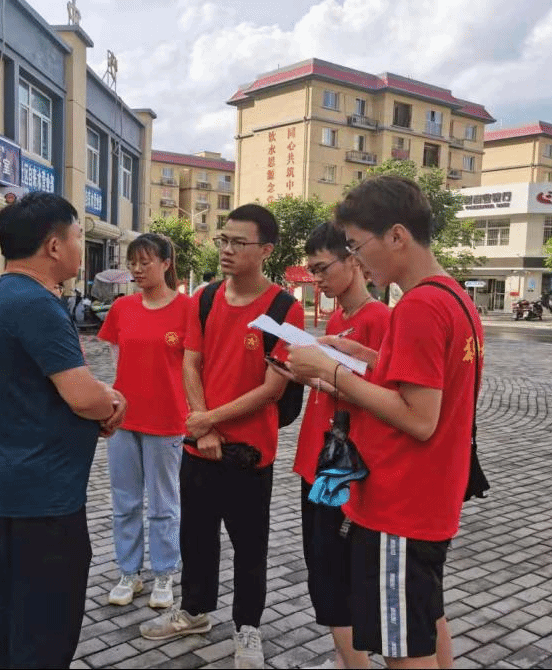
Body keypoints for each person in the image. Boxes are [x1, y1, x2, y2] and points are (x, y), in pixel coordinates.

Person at [287, 176, 483, 669]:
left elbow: (419, 418)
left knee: (404, 650)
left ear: (396, 235)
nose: (357, 258)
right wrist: (364, 357)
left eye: (357, 245)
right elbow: (428, 384)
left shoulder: (417, 305)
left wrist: (329, 370)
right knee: (424, 621)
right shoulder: (451, 296)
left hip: (400, 503)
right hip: (430, 498)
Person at [140, 204, 305, 670]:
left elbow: (274, 388)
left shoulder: (283, 308)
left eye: (239, 242)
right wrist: (202, 422)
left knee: (249, 543)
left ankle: (248, 627)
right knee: (196, 535)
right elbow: (191, 361)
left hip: (250, 452)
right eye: (224, 240)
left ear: (266, 250)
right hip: (200, 445)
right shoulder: (206, 298)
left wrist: (211, 419)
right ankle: (194, 610)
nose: (228, 250)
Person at [0, 192, 127, 668]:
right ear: (54, 246)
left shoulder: (0, 294)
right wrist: (112, 402)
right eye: (79, 235)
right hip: (43, 494)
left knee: (8, 615)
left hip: (7, 483)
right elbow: (82, 395)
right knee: (45, 627)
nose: (81, 246)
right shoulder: (37, 304)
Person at [293, 223, 390, 669]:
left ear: (354, 261)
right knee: (322, 567)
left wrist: (334, 370)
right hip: (318, 457)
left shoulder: (379, 320)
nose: (316, 278)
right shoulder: (337, 318)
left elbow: (386, 396)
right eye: (310, 270)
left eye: (322, 268)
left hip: (343, 465)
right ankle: (343, 659)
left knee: (335, 572)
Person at [98, 233, 190, 609]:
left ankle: (165, 573)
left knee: (164, 504)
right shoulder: (123, 308)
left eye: (145, 262)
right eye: (132, 262)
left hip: (168, 419)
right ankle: (129, 571)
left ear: (166, 264)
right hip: (124, 418)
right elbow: (116, 361)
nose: (137, 269)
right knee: (125, 500)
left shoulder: (187, 309)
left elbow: (193, 366)